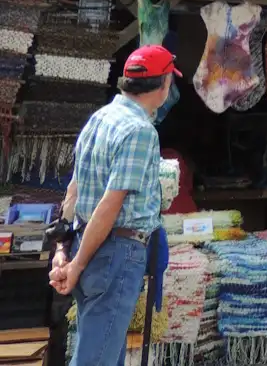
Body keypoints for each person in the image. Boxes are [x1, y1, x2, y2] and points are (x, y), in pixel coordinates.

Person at [50, 45, 179, 366]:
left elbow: (74, 189)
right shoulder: (140, 131)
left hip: (88, 244)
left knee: (105, 349)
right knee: (96, 359)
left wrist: (64, 250)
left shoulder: (100, 118)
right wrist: (75, 264)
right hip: (115, 253)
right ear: (163, 85)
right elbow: (110, 204)